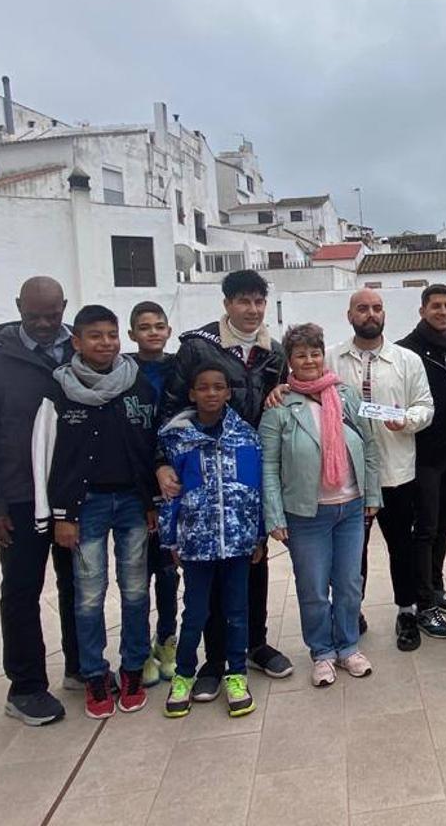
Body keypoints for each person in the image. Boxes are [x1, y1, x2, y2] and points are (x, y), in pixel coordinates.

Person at [159, 269, 292, 700]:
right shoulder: (199, 347)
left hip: (252, 474)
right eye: (243, 302)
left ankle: (254, 644)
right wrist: (163, 462)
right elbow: (171, 409)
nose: (252, 310)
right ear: (227, 304)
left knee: (253, 560)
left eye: (258, 302)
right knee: (208, 575)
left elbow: (287, 398)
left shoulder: (275, 352)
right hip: (204, 474)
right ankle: (213, 662)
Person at [0, 276, 78, 726]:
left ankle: (81, 666)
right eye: (35, 316)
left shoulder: (80, 350)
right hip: (20, 499)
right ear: (18, 308)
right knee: (23, 591)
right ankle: (26, 686)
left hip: (70, 495)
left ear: (64, 307)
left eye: (53, 315)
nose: (45, 324)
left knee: (78, 586)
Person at [31, 304, 159, 718]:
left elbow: (150, 447)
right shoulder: (58, 392)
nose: (105, 343)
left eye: (111, 335)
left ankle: (134, 667)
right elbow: (46, 458)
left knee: (137, 589)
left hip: (133, 504)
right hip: (84, 509)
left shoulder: (136, 385)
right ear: (77, 341)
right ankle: (94, 674)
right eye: (95, 336)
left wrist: (152, 502)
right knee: (88, 594)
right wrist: (58, 515)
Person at [260, 324, 381, 687]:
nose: (310, 360)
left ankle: (347, 647)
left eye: (315, 352)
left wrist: (372, 494)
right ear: (290, 361)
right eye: (301, 355)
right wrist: (274, 515)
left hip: (350, 508)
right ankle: (322, 652)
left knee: (349, 583)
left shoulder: (344, 396)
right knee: (312, 588)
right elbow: (268, 466)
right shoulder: (279, 406)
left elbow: (370, 444)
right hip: (305, 515)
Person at [326, 289, 436, 651]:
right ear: (349, 315)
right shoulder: (331, 359)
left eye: (376, 308)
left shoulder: (406, 360)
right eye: (362, 308)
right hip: (349, 477)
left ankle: (406, 611)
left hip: (395, 471)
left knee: (401, 547)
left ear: (384, 313)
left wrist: (406, 420)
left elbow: (425, 406)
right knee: (350, 552)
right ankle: (350, 612)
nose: (370, 314)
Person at [159, 361, 264, 719]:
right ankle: (184, 675)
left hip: (237, 542)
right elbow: (170, 493)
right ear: (192, 393)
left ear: (228, 392)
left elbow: (255, 490)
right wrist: (171, 538)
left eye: (218, 387)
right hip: (196, 544)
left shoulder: (246, 436)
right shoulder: (176, 439)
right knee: (196, 613)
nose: (211, 394)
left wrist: (258, 535)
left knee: (237, 612)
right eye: (203, 387)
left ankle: (236, 674)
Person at [398, 285, 446, 618]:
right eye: (436, 306)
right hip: (423, 453)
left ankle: (435, 583)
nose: (443, 312)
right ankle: (422, 596)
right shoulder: (406, 350)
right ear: (422, 311)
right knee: (426, 526)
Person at [127, 301, 180, 687]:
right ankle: (138, 648)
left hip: (174, 484)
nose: (153, 332)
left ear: (169, 330)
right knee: (136, 574)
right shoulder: (124, 373)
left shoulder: (179, 369)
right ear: (133, 335)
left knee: (168, 571)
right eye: (144, 327)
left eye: (159, 326)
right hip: (137, 484)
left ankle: (168, 640)